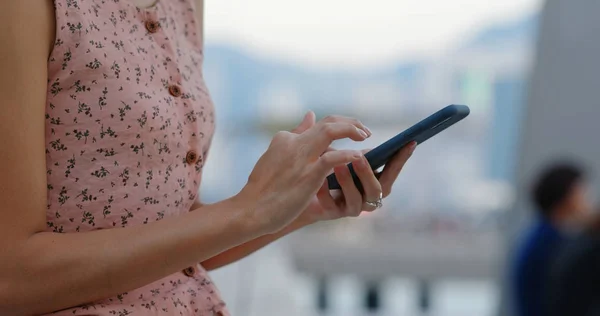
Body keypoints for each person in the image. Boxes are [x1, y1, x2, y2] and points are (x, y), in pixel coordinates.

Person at [0, 1, 417, 315]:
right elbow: (11, 277)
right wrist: (249, 210)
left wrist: (300, 208)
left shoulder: (184, 6)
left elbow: (171, 236)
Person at [512, 163, 591, 316]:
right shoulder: (552, 243)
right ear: (568, 197)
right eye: (581, 192)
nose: (586, 200)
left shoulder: (542, 236)